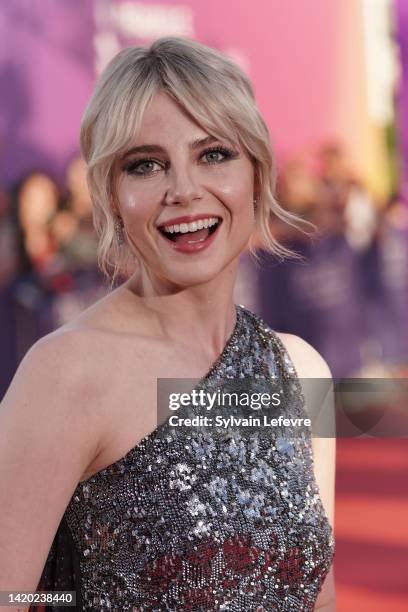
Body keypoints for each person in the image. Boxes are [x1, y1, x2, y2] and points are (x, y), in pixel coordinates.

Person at [0, 37, 336, 611]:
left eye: (213, 154)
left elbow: (315, 594)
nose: (183, 190)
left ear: (256, 172)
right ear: (111, 194)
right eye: (146, 165)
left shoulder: (302, 372)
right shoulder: (67, 374)